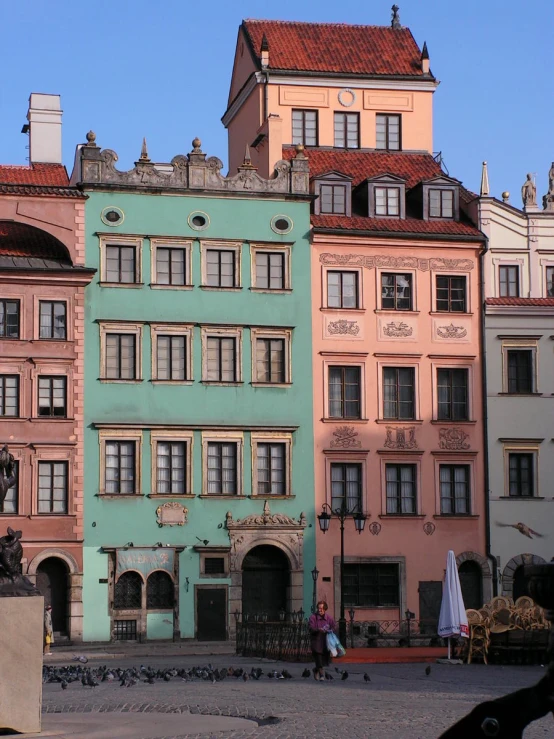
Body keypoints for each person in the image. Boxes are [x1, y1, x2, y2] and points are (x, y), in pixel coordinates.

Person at [308, 600, 337, 680]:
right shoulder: (313, 617)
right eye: (318, 608)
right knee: (319, 660)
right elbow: (311, 628)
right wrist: (318, 630)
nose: (319, 610)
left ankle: (315, 670)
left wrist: (331, 630)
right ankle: (321, 675)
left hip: (326, 643)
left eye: (321, 608)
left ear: (325, 609)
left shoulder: (329, 618)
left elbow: (334, 626)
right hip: (316, 642)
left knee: (324, 662)